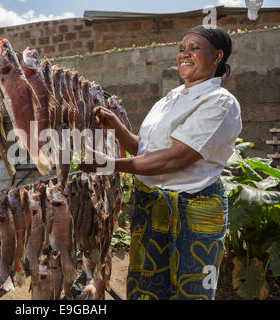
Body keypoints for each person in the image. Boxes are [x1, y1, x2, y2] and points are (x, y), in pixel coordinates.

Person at [80, 25, 242, 300]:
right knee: (146, 287)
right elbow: (146, 149)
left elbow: (176, 158)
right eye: (181, 49)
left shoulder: (220, 102)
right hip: (151, 206)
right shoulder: (169, 100)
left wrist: (111, 164)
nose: (184, 54)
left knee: (190, 290)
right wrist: (118, 127)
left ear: (217, 57)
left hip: (194, 208)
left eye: (194, 48)